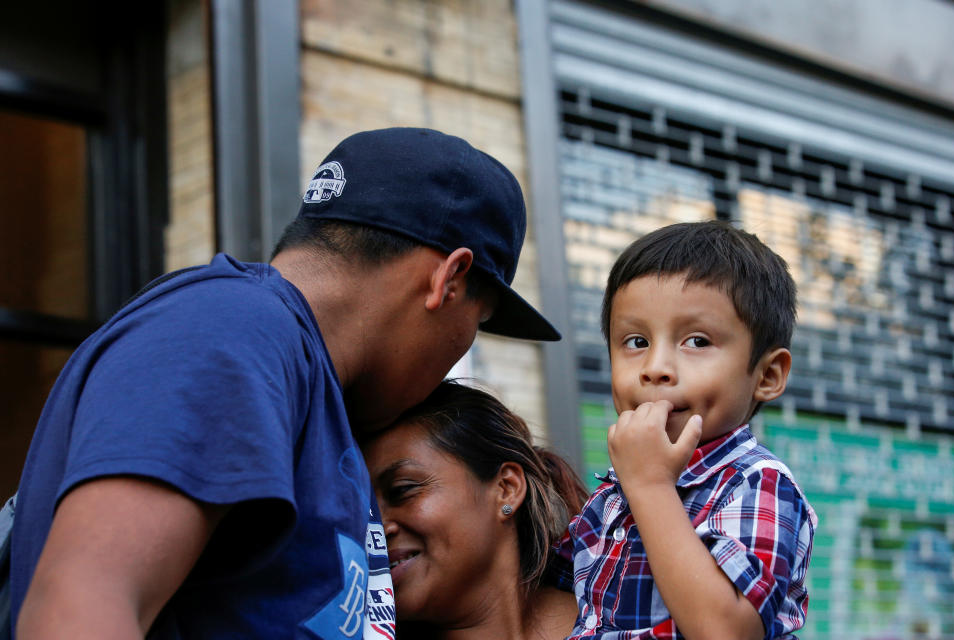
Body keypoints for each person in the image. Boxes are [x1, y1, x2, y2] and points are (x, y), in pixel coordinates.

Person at [10, 127, 560, 639]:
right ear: (449, 279)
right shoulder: (234, 332)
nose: (460, 351)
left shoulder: (297, 378)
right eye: (478, 323)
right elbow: (77, 606)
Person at [552, 221, 818, 640]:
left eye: (696, 341)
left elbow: (727, 631)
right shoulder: (613, 495)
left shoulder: (757, 483)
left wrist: (652, 487)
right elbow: (545, 586)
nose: (655, 368)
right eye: (636, 341)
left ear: (767, 375)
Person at [362, 380, 588, 640]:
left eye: (402, 489)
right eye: (363, 509)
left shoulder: (624, 612)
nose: (376, 528)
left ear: (506, 488)